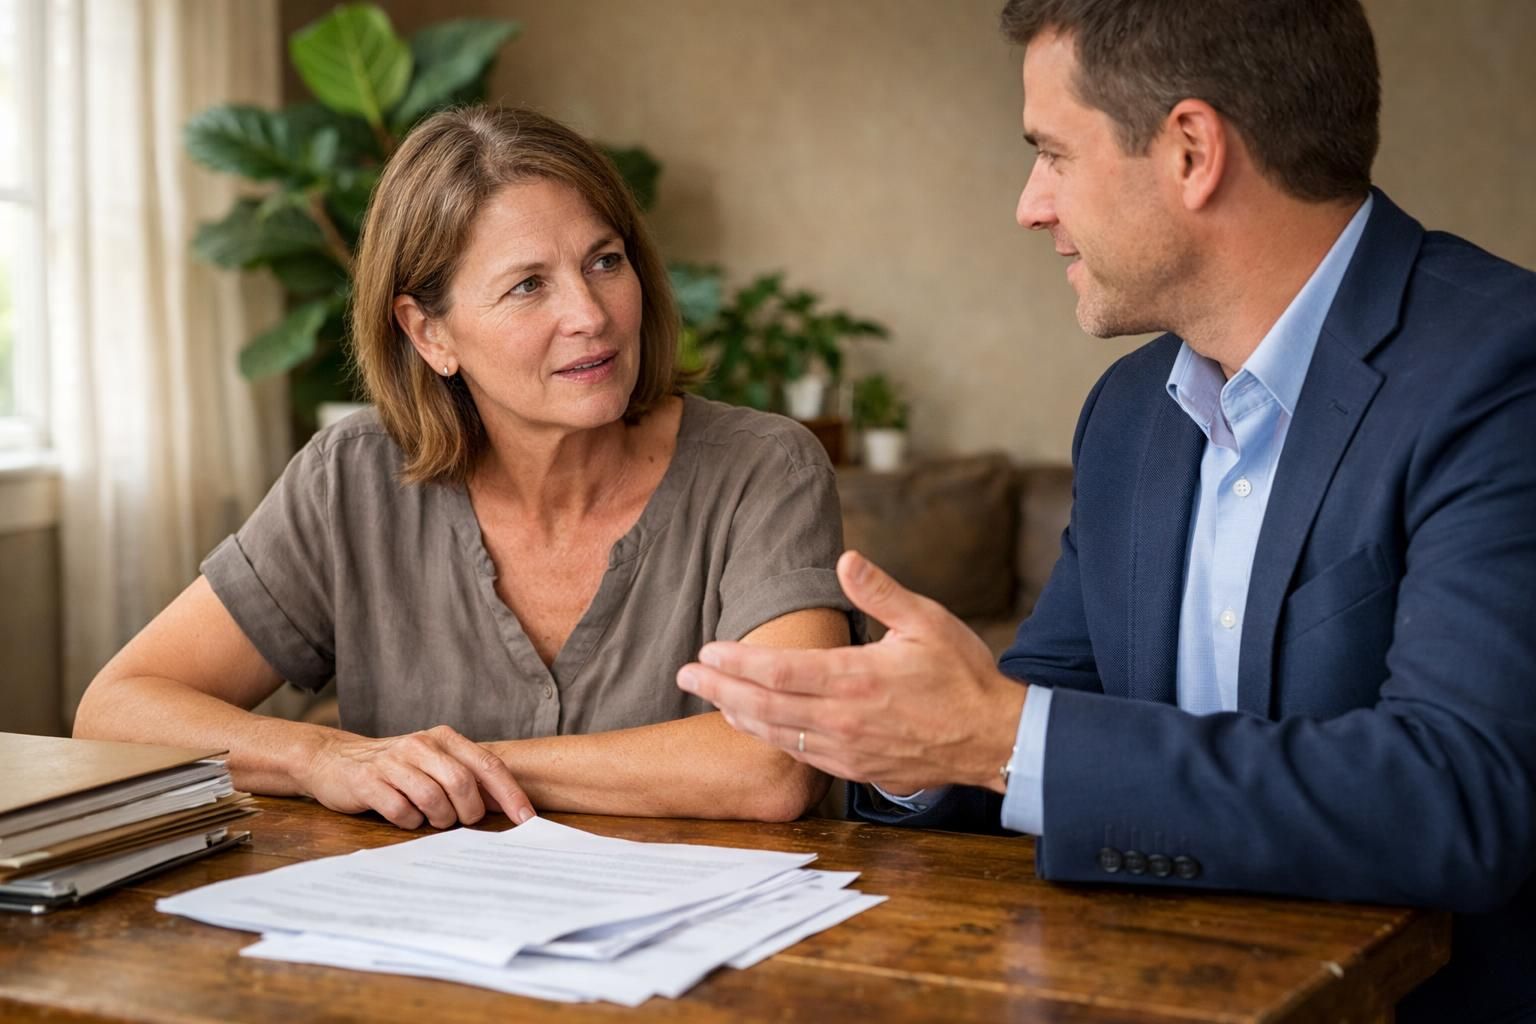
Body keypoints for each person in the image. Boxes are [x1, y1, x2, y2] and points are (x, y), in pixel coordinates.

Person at [676, 2, 1536, 1019]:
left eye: (1052, 153)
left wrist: (997, 739)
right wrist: (901, 739)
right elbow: (1046, 706)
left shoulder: (1499, 369)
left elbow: (1458, 797)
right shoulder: (1131, 414)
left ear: (1189, 151)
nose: (1030, 204)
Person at [75, 107, 854, 831]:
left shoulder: (765, 466)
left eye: (604, 261)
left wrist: (450, 770)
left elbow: (777, 762)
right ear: (428, 332)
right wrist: (321, 757)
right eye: (528, 285)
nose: (590, 314)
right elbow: (118, 708)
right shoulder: (352, 479)